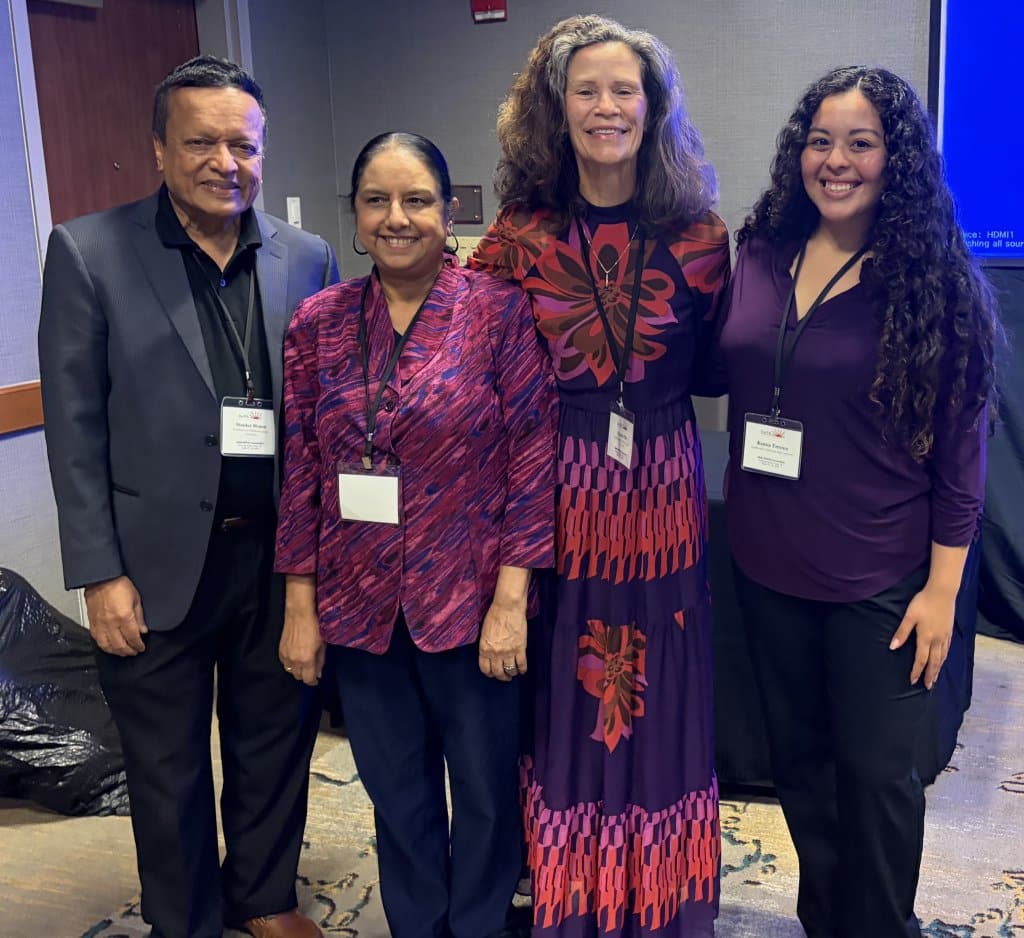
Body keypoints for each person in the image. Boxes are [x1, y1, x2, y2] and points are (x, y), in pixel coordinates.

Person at [38, 56, 338, 938]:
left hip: (277, 555)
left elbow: (319, 416)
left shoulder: (306, 257)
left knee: (274, 740)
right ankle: (187, 917)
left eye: (243, 144)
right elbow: (74, 429)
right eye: (201, 141)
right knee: (166, 765)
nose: (226, 162)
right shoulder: (88, 252)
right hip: (153, 560)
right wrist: (99, 572)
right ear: (160, 150)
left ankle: (264, 896)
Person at [718, 66, 1002, 938]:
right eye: (820, 141)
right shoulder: (762, 251)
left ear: (897, 160)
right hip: (767, 567)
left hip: (880, 577)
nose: (836, 161)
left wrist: (944, 592)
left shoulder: (931, 278)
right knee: (802, 770)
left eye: (862, 143)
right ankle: (826, 920)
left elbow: (962, 457)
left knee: (878, 781)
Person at [469, 15, 730, 937]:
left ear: (654, 107)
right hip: (558, 487)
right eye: (587, 89)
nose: (607, 106)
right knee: (565, 684)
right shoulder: (513, 240)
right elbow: (480, 376)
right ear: (556, 106)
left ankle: (660, 900)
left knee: (666, 671)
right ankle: (574, 896)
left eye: (626, 89)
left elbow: (709, 371)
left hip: (661, 484)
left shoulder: (700, 238)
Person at [273, 131, 557, 938]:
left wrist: (512, 599)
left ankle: (477, 925)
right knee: (396, 797)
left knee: (484, 795)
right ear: (356, 217)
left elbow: (534, 459)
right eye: (377, 201)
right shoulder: (318, 323)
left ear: (449, 211)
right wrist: (300, 604)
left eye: (418, 200)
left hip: (469, 609)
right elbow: (299, 471)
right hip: (360, 607)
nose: (397, 218)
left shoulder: (498, 315)